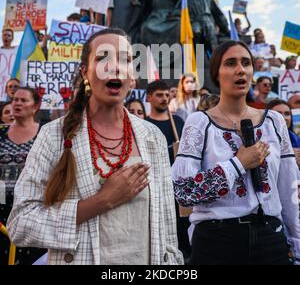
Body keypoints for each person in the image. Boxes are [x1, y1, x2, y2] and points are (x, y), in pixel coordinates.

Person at [7, 28, 182, 266]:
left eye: (125, 60)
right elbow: (21, 223)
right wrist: (102, 201)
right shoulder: (53, 135)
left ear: (132, 75)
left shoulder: (153, 137)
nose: (115, 66)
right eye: (102, 58)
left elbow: (167, 231)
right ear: (85, 72)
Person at [172, 40, 300, 265]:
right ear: (216, 74)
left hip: (270, 239)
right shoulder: (199, 123)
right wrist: (237, 164)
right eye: (230, 63)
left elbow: (288, 189)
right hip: (217, 242)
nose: (241, 69)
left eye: (246, 63)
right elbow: (185, 192)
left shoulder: (274, 122)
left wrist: (297, 244)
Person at [145, 80, 190, 262]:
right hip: (155, 181)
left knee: (181, 221)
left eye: (166, 95)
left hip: (177, 180)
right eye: (159, 95)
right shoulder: (144, 125)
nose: (164, 99)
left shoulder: (178, 121)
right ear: (149, 97)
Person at [0, 88, 45, 265]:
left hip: (33, 207)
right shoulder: (1, 133)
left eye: (23, 100)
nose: (17, 103)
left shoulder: (45, 134)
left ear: (36, 106)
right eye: (15, 99)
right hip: (3, 209)